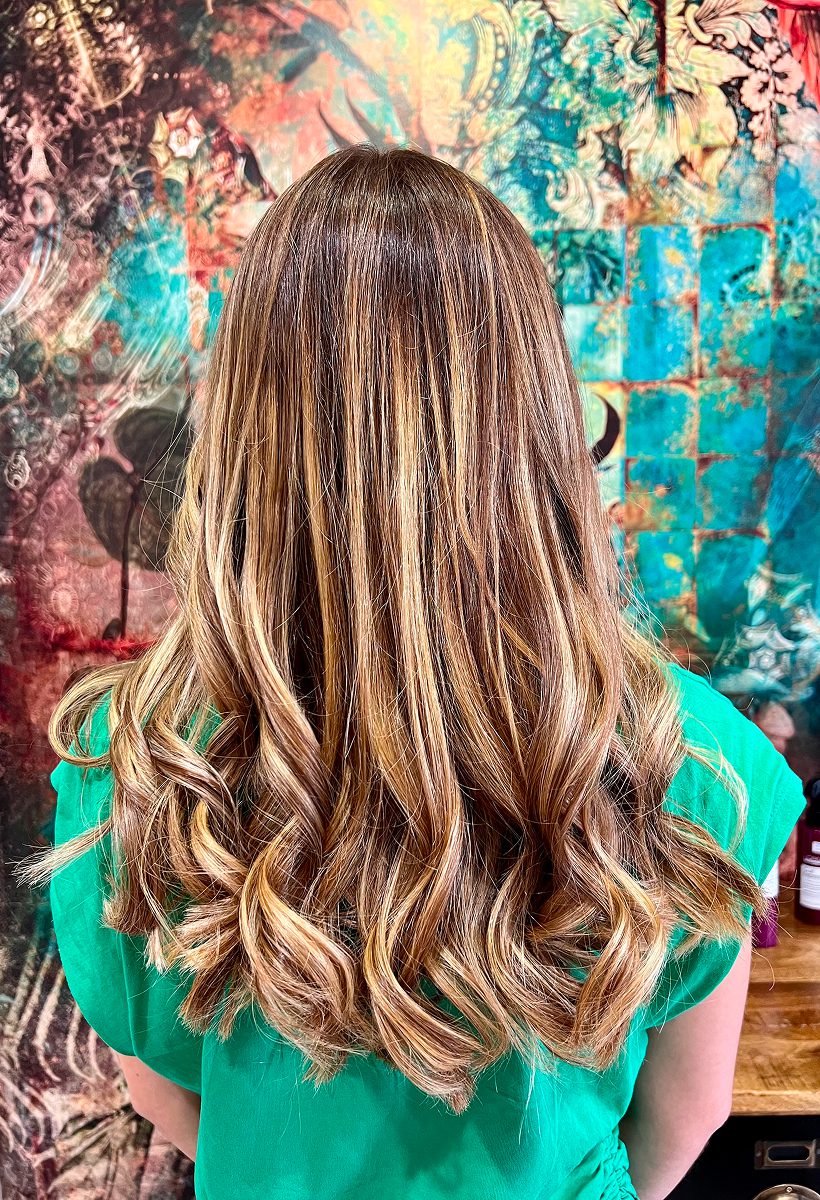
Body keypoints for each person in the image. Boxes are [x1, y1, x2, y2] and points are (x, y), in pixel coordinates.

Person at [18, 146, 806, 1200]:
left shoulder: (135, 761)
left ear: (246, 435)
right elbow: (685, 1120)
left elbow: (169, 1095)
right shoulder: (697, 763)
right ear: (538, 423)